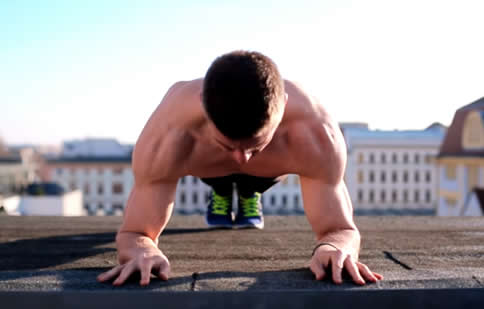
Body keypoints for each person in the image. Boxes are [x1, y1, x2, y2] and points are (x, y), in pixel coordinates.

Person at [97, 50, 383, 286]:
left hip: (268, 174)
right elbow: (134, 232)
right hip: (208, 170)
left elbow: (340, 229)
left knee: (250, 178)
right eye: (229, 146)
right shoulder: (168, 134)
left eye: (255, 146)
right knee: (224, 175)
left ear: (282, 106)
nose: (242, 159)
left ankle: (249, 193)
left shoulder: (316, 133)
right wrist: (143, 251)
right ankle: (223, 189)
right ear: (203, 107)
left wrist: (334, 248)